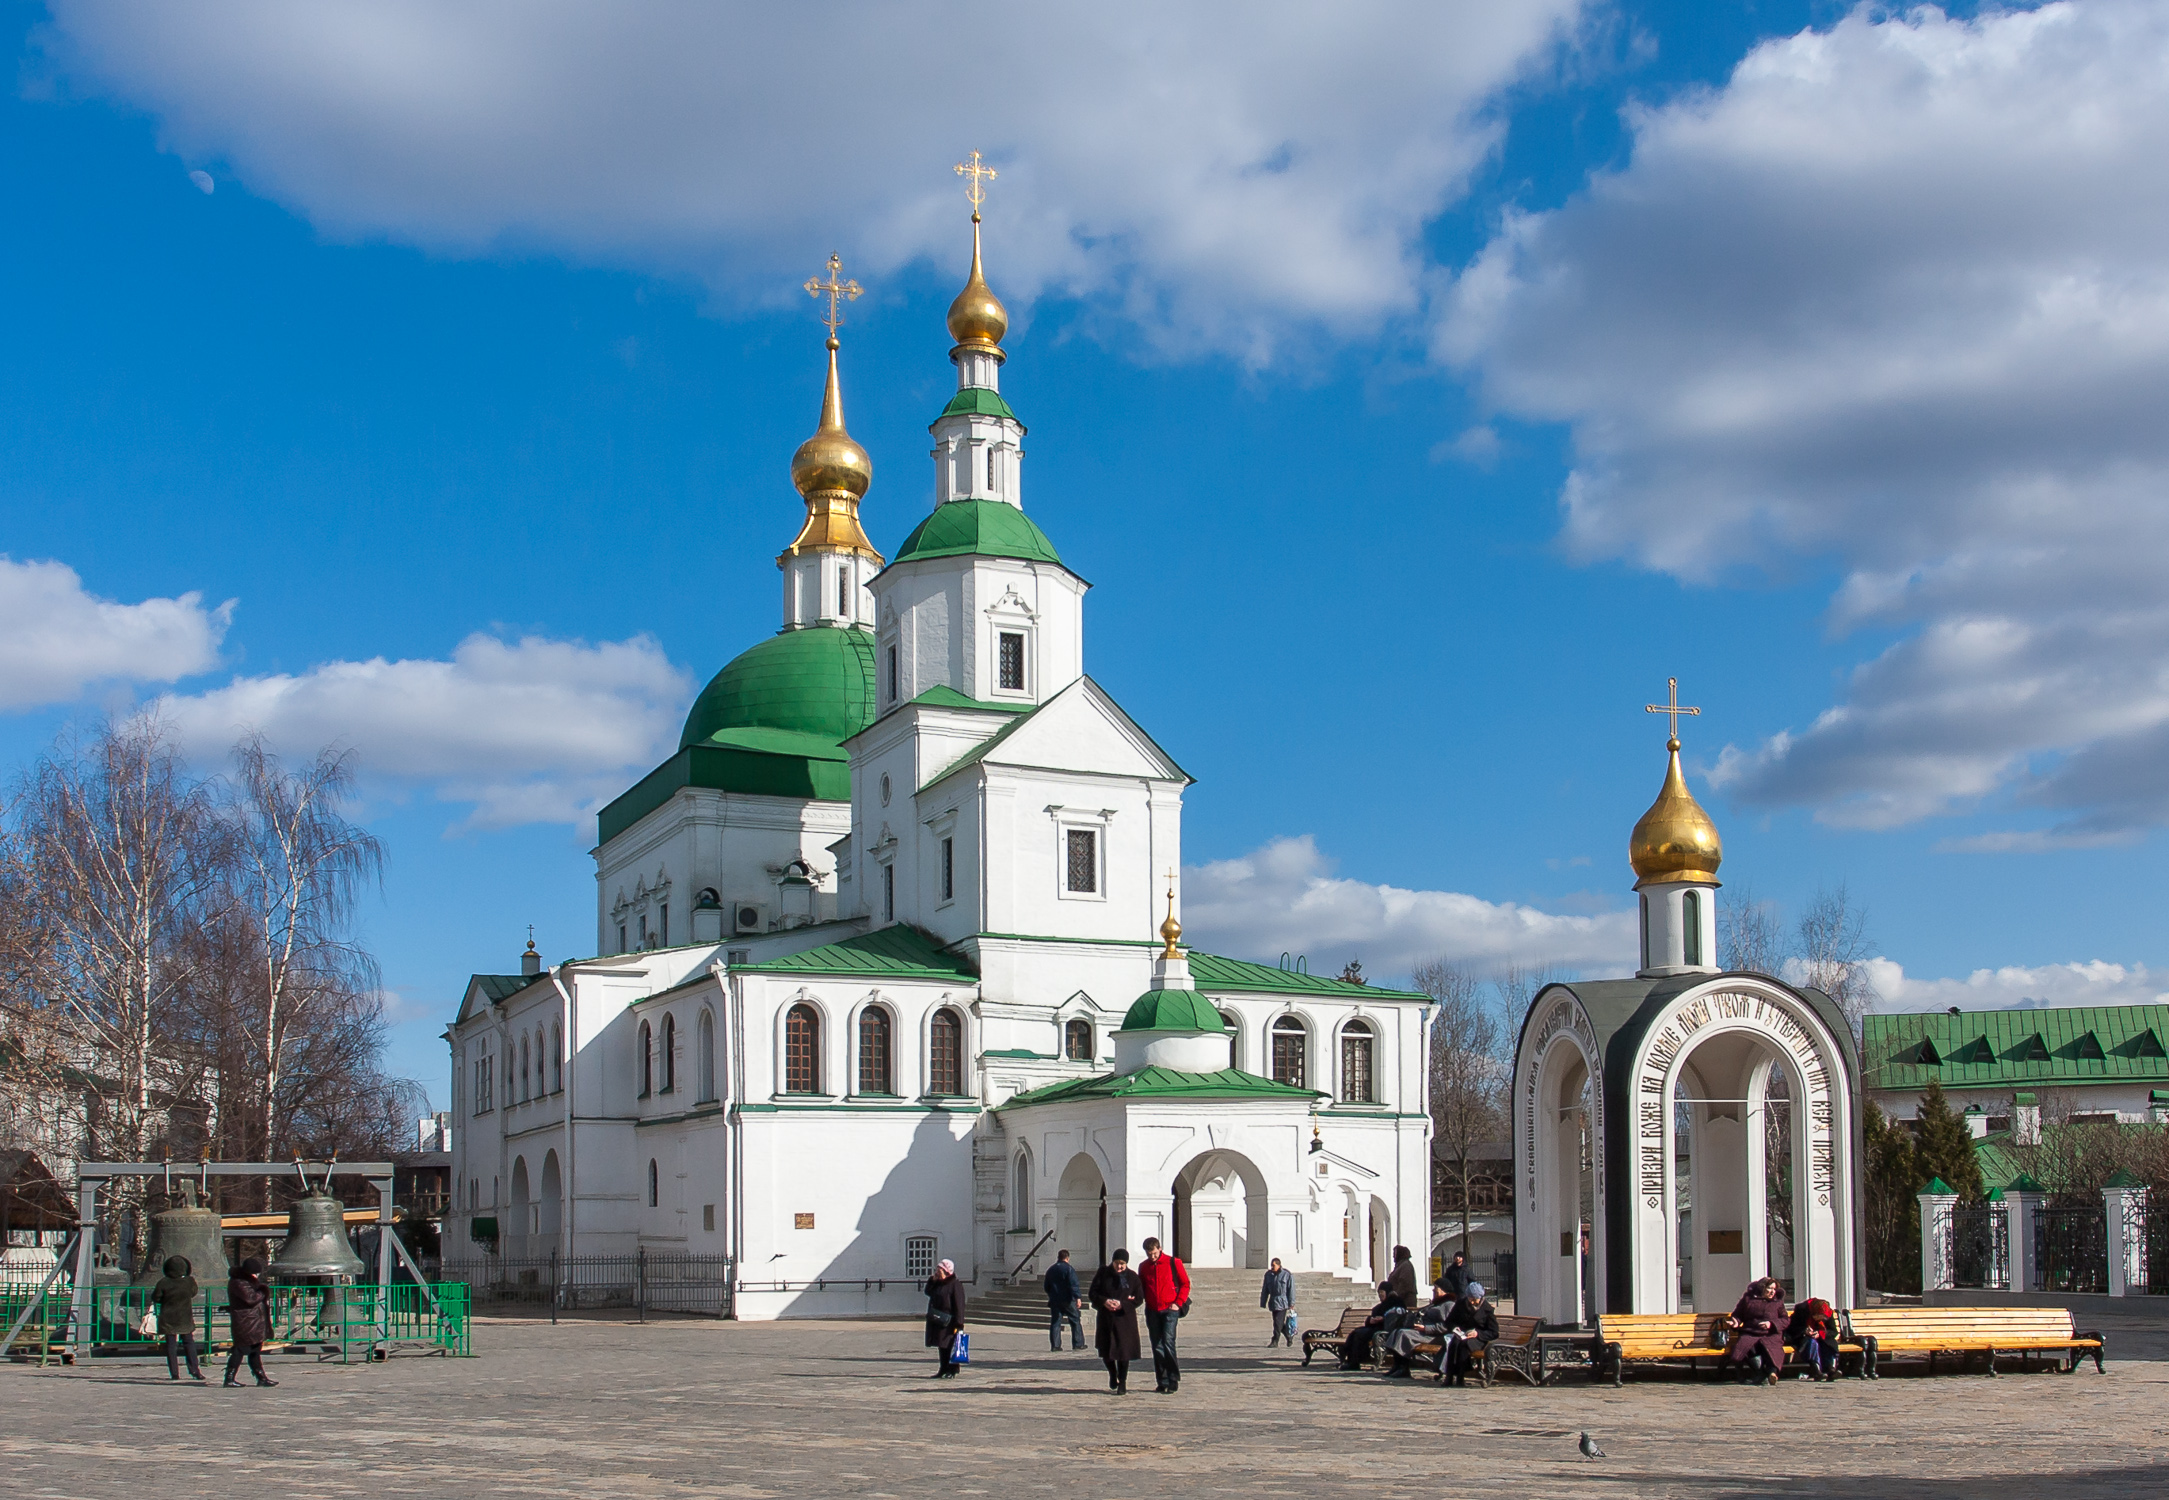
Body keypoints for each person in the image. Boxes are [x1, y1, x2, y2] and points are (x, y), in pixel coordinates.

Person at [1137, 1236, 1191, 1393]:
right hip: (1153, 1310)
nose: (1152, 1257)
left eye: (1154, 1253)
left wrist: (1178, 1302)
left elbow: (1185, 1284)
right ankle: (1162, 1380)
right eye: (1149, 1254)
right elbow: (1141, 1287)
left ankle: (1173, 1379)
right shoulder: (1144, 1266)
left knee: (1168, 1342)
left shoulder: (1173, 1262)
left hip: (1170, 1309)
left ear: (1159, 1249)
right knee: (1157, 1346)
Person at [1089, 1249, 1145, 1394]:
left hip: (1125, 1320)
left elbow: (1138, 1298)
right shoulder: (1103, 1274)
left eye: (1122, 1264)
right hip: (1106, 1319)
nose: (1119, 1267)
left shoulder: (1133, 1277)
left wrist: (1123, 1304)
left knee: (1123, 1352)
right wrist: (1105, 1301)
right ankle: (1113, 1374)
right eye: (1117, 1263)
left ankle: (1123, 1381)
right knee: (1106, 1352)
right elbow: (1093, 1293)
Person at [1381, 1281, 1456, 1378]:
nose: (1433, 1290)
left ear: (1443, 1290)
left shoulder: (1448, 1305)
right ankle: (1397, 1365)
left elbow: (1446, 1326)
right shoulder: (1436, 1303)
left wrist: (1425, 1328)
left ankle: (1404, 1368)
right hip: (1425, 1332)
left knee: (1403, 1334)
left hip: (1435, 1335)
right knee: (1397, 1331)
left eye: (1436, 1287)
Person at [223, 1256, 276, 1388]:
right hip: (246, 1322)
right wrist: (263, 1291)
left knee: (255, 1350)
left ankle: (261, 1377)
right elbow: (250, 1299)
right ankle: (229, 1378)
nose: (255, 1275)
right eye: (254, 1273)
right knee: (240, 1349)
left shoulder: (247, 1281)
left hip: (255, 1322)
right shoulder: (239, 1282)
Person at [1726, 1276, 1788, 1386]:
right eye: (1770, 1288)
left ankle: (1772, 1373)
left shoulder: (1777, 1302)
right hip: (1751, 1331)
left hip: (1770, 1334)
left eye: (1774, 1289)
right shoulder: (1748, 1299)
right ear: (1762, 1288)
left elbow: (1785, 1319)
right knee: (1747, 1347)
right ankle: (1760, 1373)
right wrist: (1735, 1322)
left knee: (1772, 1350)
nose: (1772, 1292)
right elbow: (1738, 1314)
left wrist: (1771, 1324)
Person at [151, 1254, 204, 1382]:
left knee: (171, 1346)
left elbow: (156, 1297)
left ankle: (174, 1373)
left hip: (168, 1319)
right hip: (184, 1318)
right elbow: (193, 1292)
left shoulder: (163, 1282)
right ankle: (195, 1370)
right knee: (189, 1344)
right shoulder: (189, 1282)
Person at [1442, 1281, 1501, 1388]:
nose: (1473, 1302)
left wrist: (1477, 1333)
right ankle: (1449, 1376)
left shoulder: (1487, 1310)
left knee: (1464, 1345)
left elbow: (1494, 1332)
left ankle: (1460, 1377)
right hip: (1462, 1334)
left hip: (1479, 1339)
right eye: (1470, 1299)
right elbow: (1449, 1321)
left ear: (1481, 1297)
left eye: (1475, 1299)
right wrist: (1455, 1328)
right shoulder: (1461, 1304)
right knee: (1454, 1343)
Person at [923, 1258, 967, 1378]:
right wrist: (932, 1280)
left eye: (940, 1270)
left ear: (947, 1271)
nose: (937, 1273)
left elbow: (959, 1304)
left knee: (951, 1346)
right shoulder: (938, 1283)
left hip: (950, 1321)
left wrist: (959, 1323)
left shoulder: (955, 1284)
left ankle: (952, 1370)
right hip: (939, 1320)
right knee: (942, 1346)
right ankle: (943, 1369)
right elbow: (928, 1292)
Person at [1339, 1282, 1398, 1370]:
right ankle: (1351, 1360)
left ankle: (1354, 1362)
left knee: (1359, 1334)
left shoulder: (1395, 1305)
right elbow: (1370, 1319)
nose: (1380, 1295)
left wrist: (1382, 1319)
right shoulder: (1380, 1306)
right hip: (1375, 1328)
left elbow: (1395, 1319)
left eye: (1382, 1292)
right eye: (1379, 1293)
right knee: (1355, 1333)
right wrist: (1371, 1320)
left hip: (1384, 1331)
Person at [1787, 1295, 1841, 1382]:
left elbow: (1833, 1331)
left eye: (1823, 1317)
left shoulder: (1827, 1312)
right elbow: (1791, 1327)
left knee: (1827, 1343)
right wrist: (1804, 1330)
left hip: (1820, 1336)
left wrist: (1820, 1333)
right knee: (1812, 1343)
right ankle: (1816, 1370)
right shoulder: (1801, 1310)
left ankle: (1830, 1369)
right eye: (1819, 1316)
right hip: (1803, 1337)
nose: (1821, 1319)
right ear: (1814, 1313)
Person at [1044, 1249, 1084, 1352]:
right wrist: (1077, 1297)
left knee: (1056, 1322)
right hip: (1068, 1300)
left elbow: (1046, 1286)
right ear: (1067, 1258)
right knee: (1075, 1320)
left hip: (1055, 1300)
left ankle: (1055, 1345)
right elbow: (1073, 1284)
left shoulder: (1051, 1269)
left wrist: (1051, 1295)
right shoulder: (1069, 1269)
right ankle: (1078, 1343)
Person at [1260, 1256, 1295, 1348]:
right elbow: (1265, 1289)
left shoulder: (1286, 1275)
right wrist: (1263, 1301)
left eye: (1274, 1265)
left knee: (1277, 1322)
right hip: (1273, 1302)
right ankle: (1288, 1336)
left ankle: (1275, 1340)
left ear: (1279, 1265)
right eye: (1271, 1265)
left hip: (1283, 1302)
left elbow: (1291, 1289)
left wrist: (1291, 1303)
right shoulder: (1268, 1275)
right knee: (1278, 1322)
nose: (1272, 1267)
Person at [1386, 1244, 1420, 1310]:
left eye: (1394, 1254)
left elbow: (1405, 1283)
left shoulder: (1405, 1265)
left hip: (1405, 1302)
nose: (1393, 1256)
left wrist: (1396, 1296)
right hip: (1399, 1301)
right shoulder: (1400, 1265)